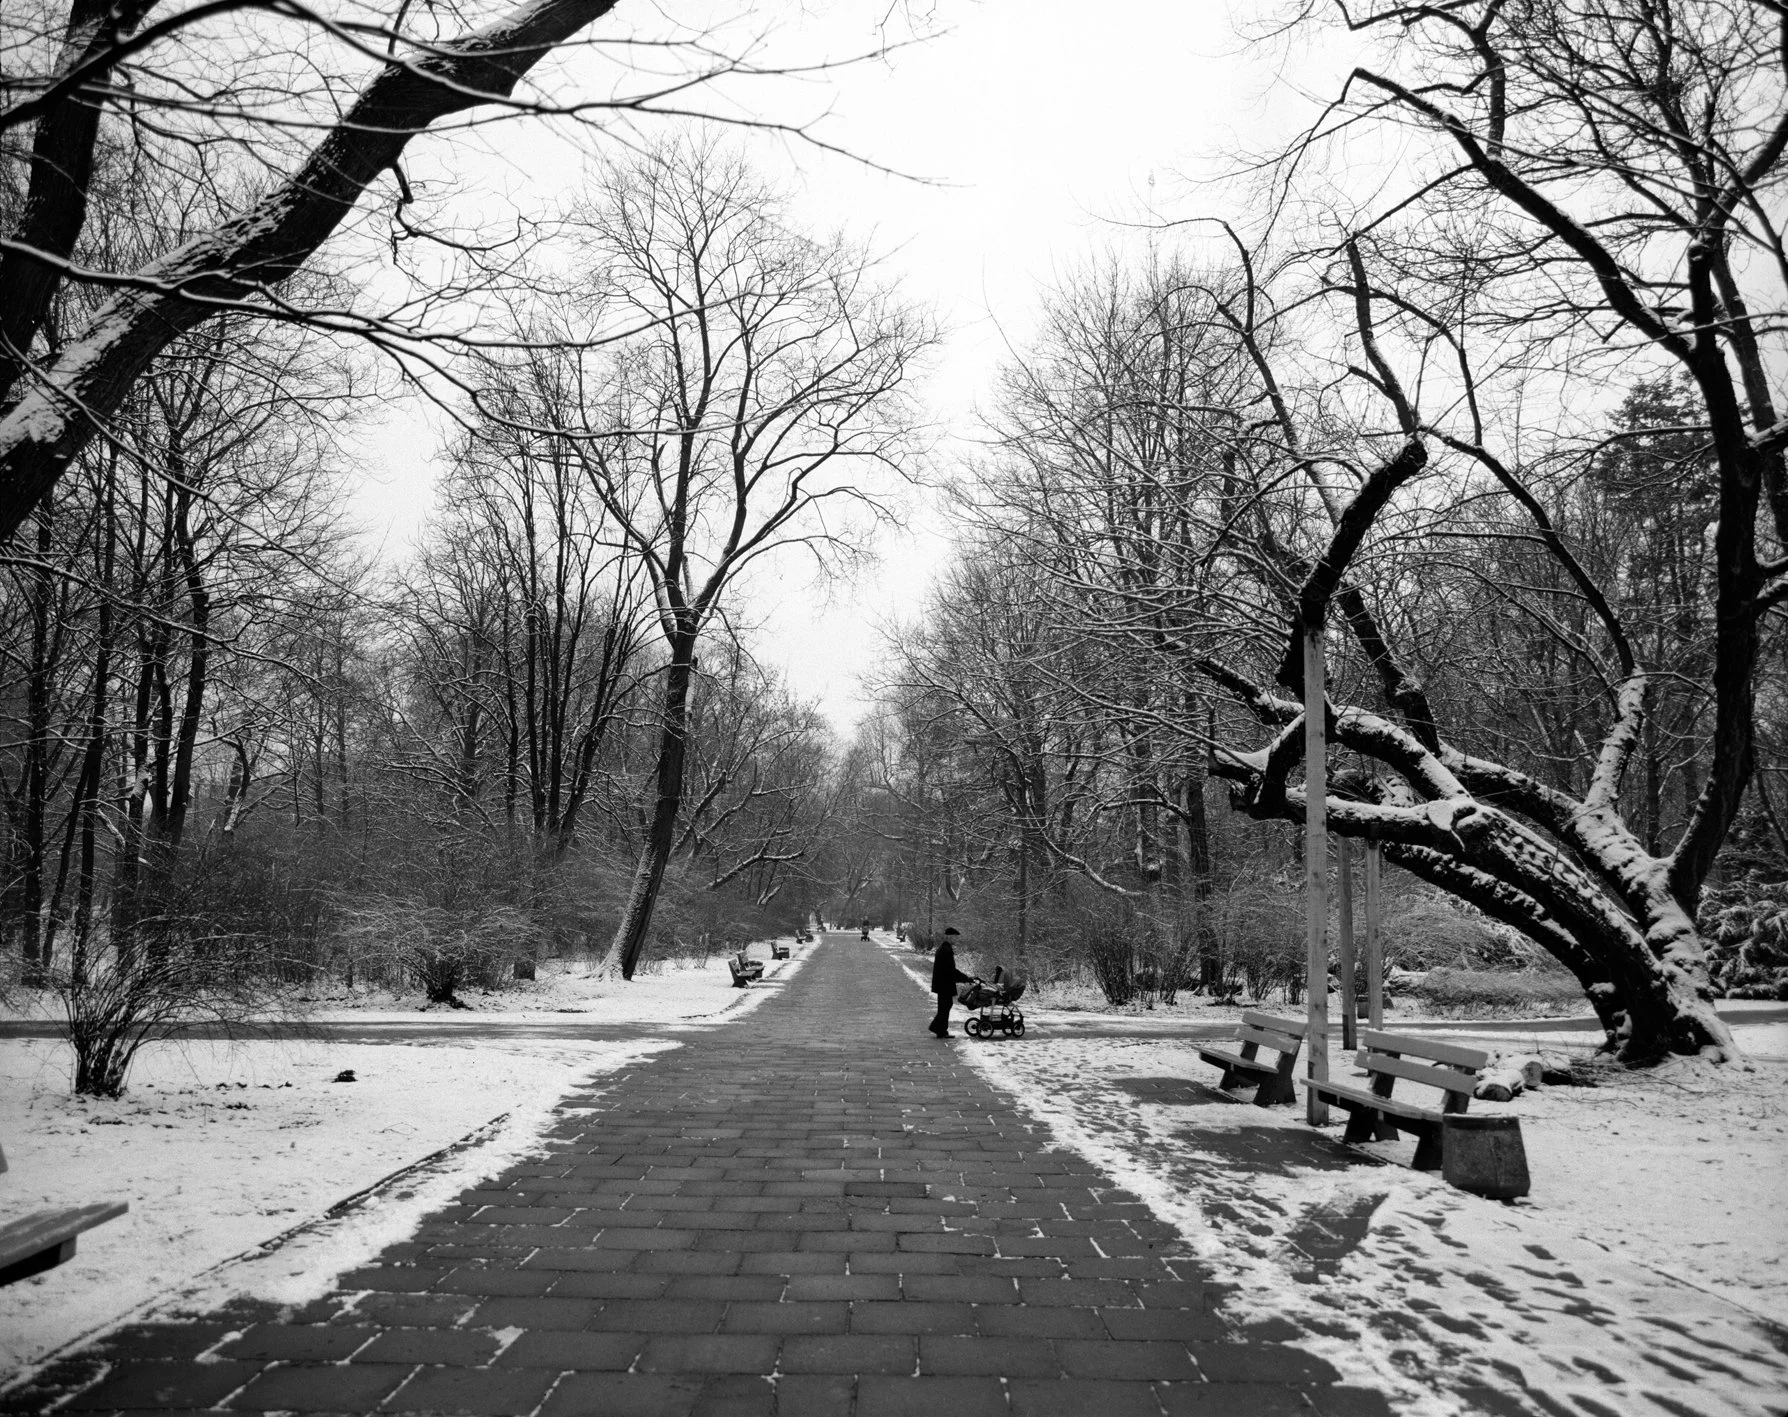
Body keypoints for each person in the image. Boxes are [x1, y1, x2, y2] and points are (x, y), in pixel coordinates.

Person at [928, 926, 974, 1038]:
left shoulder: (944, 948)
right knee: (945, 1006)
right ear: (949, 937)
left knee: (945, 1006)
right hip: (944, 984)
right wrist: (965, 978)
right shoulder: (946, 950)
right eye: (955, 937)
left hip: (942, 983)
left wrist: (964, 978)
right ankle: (938, 1029)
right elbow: (950, 970)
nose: (956, 940)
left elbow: (950, 970)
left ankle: (940, 1029)